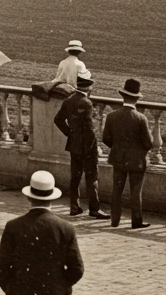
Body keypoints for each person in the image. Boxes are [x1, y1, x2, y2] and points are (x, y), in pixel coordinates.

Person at [55, 74, 108, 218]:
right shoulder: (87, 103)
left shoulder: (68, 100)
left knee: (75, 176)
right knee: (92, 176)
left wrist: (71, 134)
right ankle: (94, 208)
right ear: (89, 87)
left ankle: (74, 207)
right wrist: (93, 146)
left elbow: (58, 120)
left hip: (74, 144)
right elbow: (90, 129)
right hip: (87, 145)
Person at [101, 78, 152, 229]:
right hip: (136, 160)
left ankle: (114, 220)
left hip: (118, 158)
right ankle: (136, 221)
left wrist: (117, 147)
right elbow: (148, 143)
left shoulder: (112, 116)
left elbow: (105, 139)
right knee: (136, 192)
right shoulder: (141, 118)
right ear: (136, 98)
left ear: (123, 96)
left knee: (117, 189)